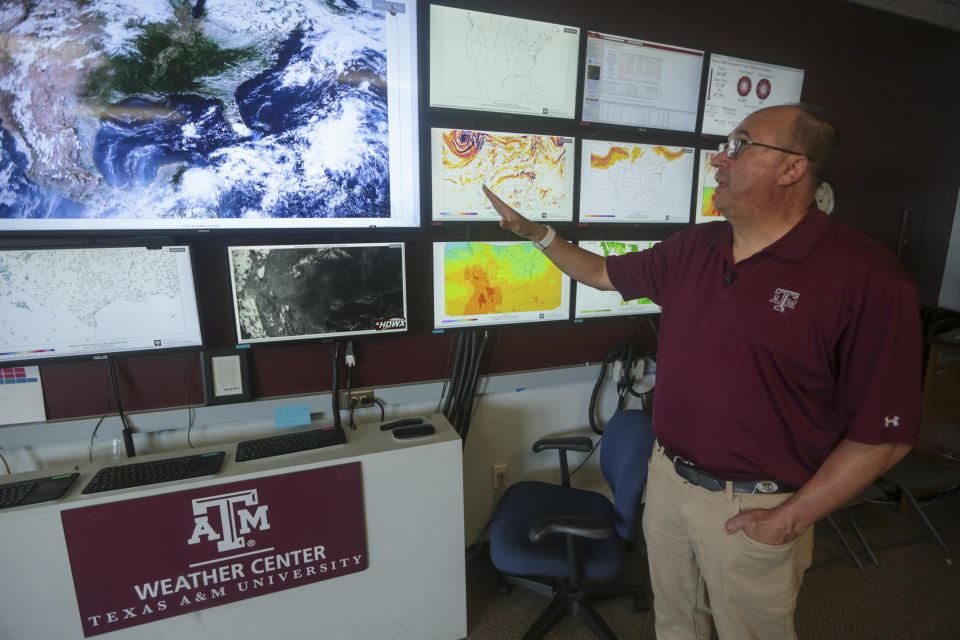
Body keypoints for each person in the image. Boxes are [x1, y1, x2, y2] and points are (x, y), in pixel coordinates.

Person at [482, 103, 922, 640]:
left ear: (793, 168)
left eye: (739, 145)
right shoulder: (696, 246)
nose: (719, 160)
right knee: (675, 624)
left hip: (758, 503)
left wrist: (793, 517)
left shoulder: (868, 278)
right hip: (667, 481)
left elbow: (883, 436)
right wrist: (537, 234)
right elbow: (599, 273)